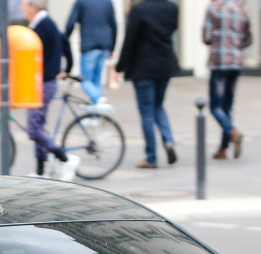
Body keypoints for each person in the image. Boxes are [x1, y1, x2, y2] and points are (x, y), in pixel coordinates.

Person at [114, 0, 178, 169]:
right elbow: (172, 30)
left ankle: (151, 157)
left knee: (147, 111)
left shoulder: (139, 9)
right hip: (165, 64)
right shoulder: (172, 8)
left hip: (143, 67)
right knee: (158, 105)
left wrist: (120, 66)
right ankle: (169, 141)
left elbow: (130, 39)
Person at [19, 0, 78, 180]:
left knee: (33, 129)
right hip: (43, 82)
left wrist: (63, 69)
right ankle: (40, 170)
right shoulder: (44, 24)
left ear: (33, 7)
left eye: (23, 4)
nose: (21, 7)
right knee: (38, 127)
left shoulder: (43, 26)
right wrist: (66, 67)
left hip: (42, 84)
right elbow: (65, 44)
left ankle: (65, 159)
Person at [202, 0, 251, 160]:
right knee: (227, 106)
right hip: (236, 63)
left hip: (219, 63)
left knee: (215, 107)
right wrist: (235, 46)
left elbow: (206, 37)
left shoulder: (213, 8)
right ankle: (223, 148)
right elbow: (248, 39)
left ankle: (232, 131)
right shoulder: (241, 8)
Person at [63, 0, 116, 109]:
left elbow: (70, 23)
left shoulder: (82, 2)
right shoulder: (107, 2)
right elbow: (114, 24)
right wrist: (112, 46)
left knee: (85, 81)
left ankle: (97, 98)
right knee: (96, 81)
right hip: (104, 45)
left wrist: (64, 41)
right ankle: (94, 115)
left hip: (89, 45)